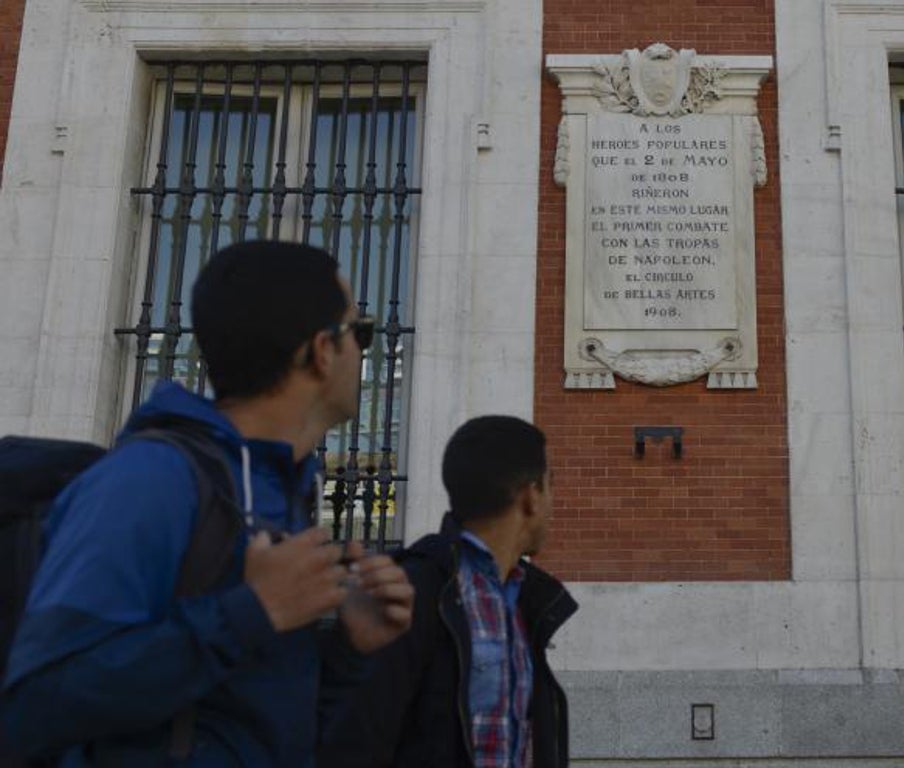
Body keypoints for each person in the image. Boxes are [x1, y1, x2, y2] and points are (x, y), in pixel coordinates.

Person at [1, 240, 414, 766]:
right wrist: (251, 611)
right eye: (360, 333)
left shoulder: (277, 489)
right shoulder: (151, 480)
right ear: (320, 351)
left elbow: (248, 722)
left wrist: (348, 651)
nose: (364, 351)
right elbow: (34, 708)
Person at [318, 415, 577, 768]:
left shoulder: (528, 600)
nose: (553, 504)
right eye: (551, 485)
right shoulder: (411, 593)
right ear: (531, 496)